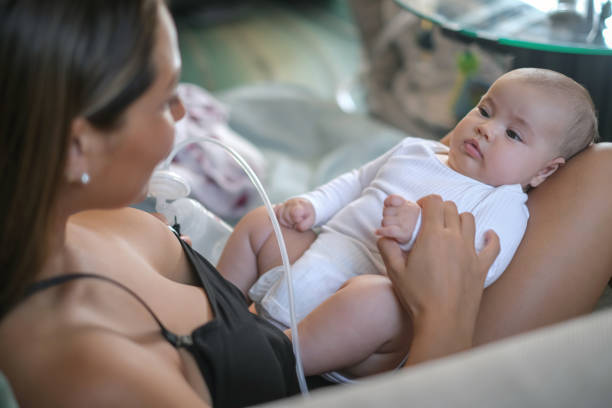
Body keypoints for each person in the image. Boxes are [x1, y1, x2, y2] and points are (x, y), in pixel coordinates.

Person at [1, 1, 611, 407]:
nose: (187, 117)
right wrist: (443, 315)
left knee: (603, 165)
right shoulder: (95, 374)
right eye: (166, 102)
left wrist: (297, 231)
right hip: (405, 365)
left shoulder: (76, 227)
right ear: (78, 145)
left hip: (305, 299)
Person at [216, 68, 599, 378]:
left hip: (365, 324)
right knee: (264, 222)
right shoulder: (416, 150)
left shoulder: (504, 204)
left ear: (544, 171)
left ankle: (271, 363)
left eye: (513, 134)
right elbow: (357, 180)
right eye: (484, 110)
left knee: (376, 300)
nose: (487, 128)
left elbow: (480, 266)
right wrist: (313, 206)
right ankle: (217, 307)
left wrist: (420, 230)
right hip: (318, 255)